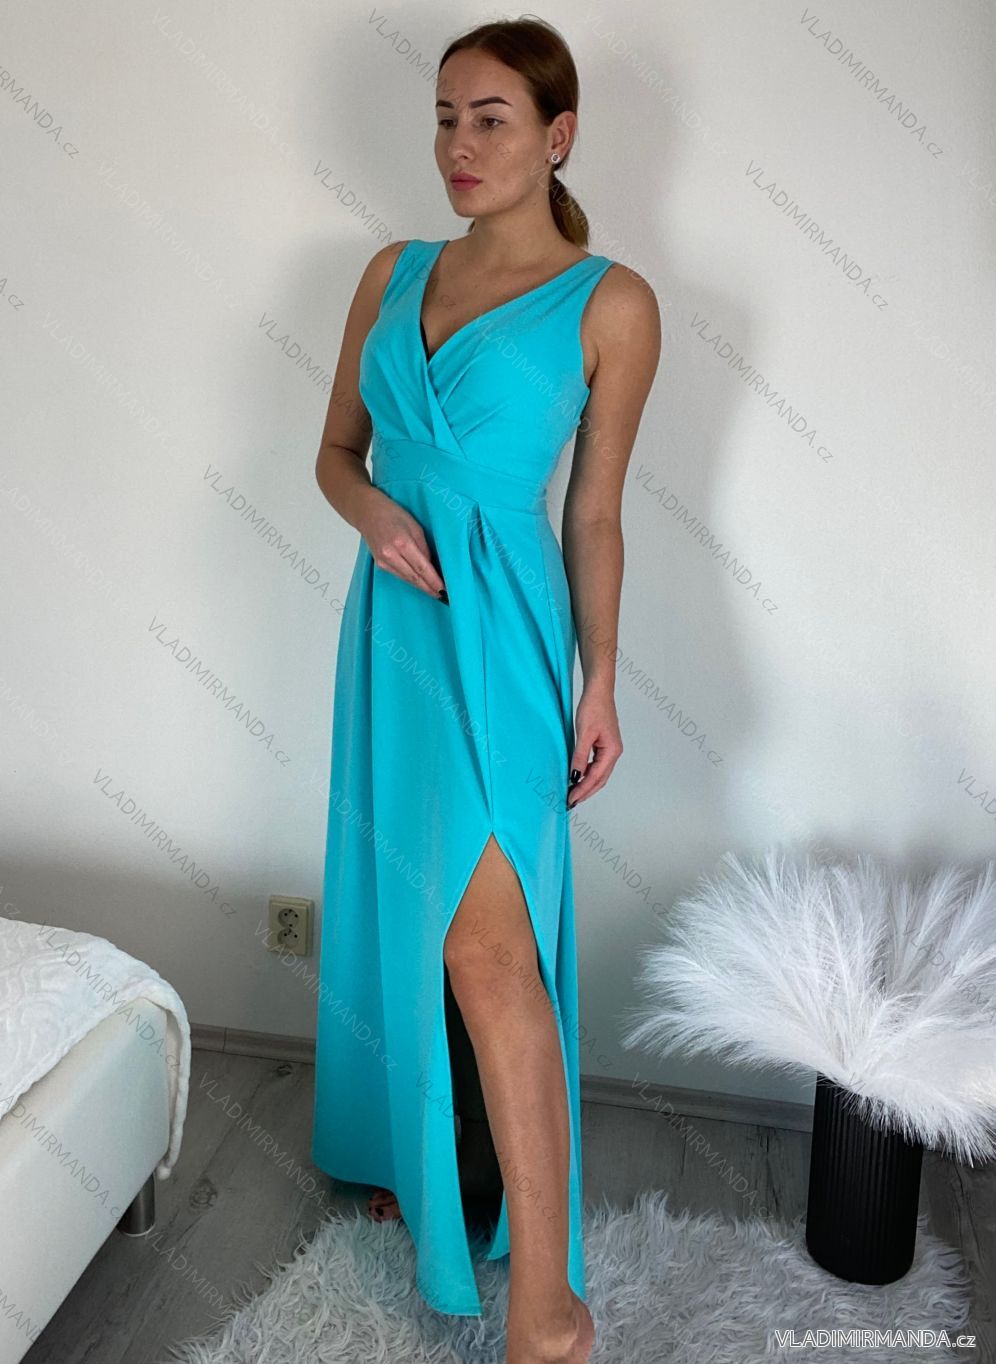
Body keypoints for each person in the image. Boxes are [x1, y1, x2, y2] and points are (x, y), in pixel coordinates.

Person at [311, 16, 660, 1364]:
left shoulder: (611, 304)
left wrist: (602, 679)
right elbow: (336, 453)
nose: (459, 144)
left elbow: (595, 514)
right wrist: (369, 512)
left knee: (489, 950)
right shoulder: (391, 271)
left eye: (491, 118)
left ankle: (547, 1311)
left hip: (506, 636)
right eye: (446, 117)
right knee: (418, 918)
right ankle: (440, 1173)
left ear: (558, 136)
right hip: (395, 632)